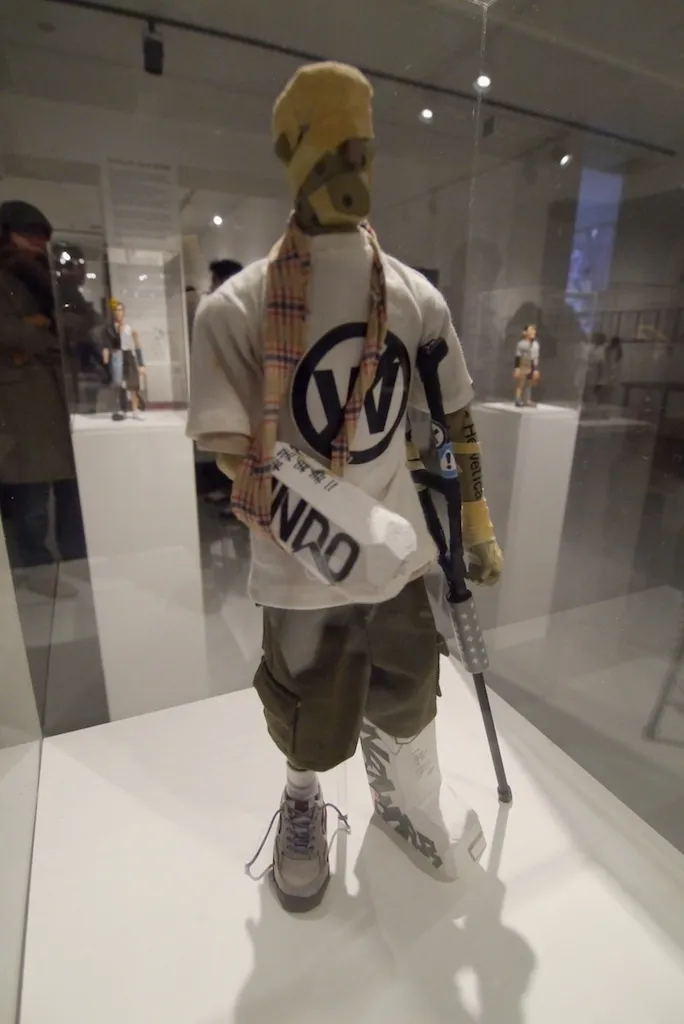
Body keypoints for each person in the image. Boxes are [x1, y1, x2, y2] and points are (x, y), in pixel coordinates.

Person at [187, 63, 503, 913]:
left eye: (358, 154)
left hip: (397, 556)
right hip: (301, 563)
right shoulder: (237, 309)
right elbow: (230, 455)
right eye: (327, 158)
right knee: (309, 711)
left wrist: (476, 524)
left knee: (409, 689)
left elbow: (455, 419)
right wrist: (331, 517)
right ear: (289, 157)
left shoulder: (413, 297)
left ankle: (406, 798)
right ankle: (303, 800)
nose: (348, 175)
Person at [0, 200, 86, 596]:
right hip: (18, 403)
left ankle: (76, 559)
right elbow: (9, 332)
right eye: (30, 236)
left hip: (53, 396)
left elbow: (81, 322)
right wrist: (42, 330)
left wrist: (41, 326)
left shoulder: (46, 278)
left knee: (70, 489)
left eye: (41, 239)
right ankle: (36, 571)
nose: (37, 246)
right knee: (30, 494)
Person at [100, 299, 146, 421]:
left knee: (133, 385)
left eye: (120, 310)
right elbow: (106, 344)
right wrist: (106, 354)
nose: (118, 312)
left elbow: (137, 346)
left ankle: (135, 410)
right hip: (117, 356)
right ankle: (123, 409)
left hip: (128, 355)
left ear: (124, 312)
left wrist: (141, 364)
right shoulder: (110, 329)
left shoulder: (130, 329)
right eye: (116, 310)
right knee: (120, 384)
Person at [513, 323, 541, 407]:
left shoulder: (535, 344)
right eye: (531, 330)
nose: (533, 332)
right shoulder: (521, 344)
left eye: (534, 330)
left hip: (531, 365)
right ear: (525, 332)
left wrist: (536, 369)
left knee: (529, 383)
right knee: (521, 383)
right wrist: (517, 368)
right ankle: (518, 399)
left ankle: (527, 400)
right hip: (523, 364)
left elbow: (535, 357)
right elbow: (518, 356)